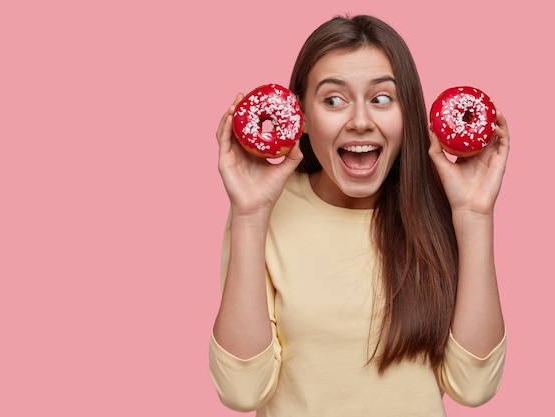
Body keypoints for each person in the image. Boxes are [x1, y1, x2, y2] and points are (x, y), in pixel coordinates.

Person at [209, 14, 509, 417]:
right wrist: (248, 215)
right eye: (333, 100)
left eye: (381, 99)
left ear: (409, 114)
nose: (361, 122)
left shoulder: (443, 210)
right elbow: (242, 392)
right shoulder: (265, 212)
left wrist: (475, 216)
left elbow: (473, 387)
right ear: (301, 117)